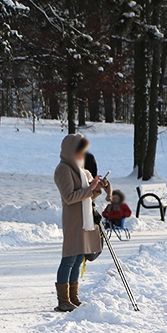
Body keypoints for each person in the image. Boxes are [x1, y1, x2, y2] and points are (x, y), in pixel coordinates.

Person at [53, 134, 111, 312]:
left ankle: (73, 297)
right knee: (69, 257)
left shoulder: (82, 169)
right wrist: (90, 188)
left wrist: (99, 188)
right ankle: (63, 299)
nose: (82, 154)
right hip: (73, 220)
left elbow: (87, 195)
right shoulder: (63, 169)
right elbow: (70, 197)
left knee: (79, 257)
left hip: (85, 219)